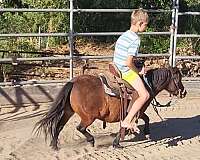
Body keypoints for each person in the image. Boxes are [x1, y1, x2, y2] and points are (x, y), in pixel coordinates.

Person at [113, 8, 150, 132]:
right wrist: (138, 71)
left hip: (116, 67)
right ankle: (127, 120)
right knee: (145, 95)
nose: (146, 27)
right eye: (146, 24)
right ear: (140, 23)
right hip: (125, 71)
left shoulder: (125, 34)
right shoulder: (135, 39)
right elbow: (128, 63)